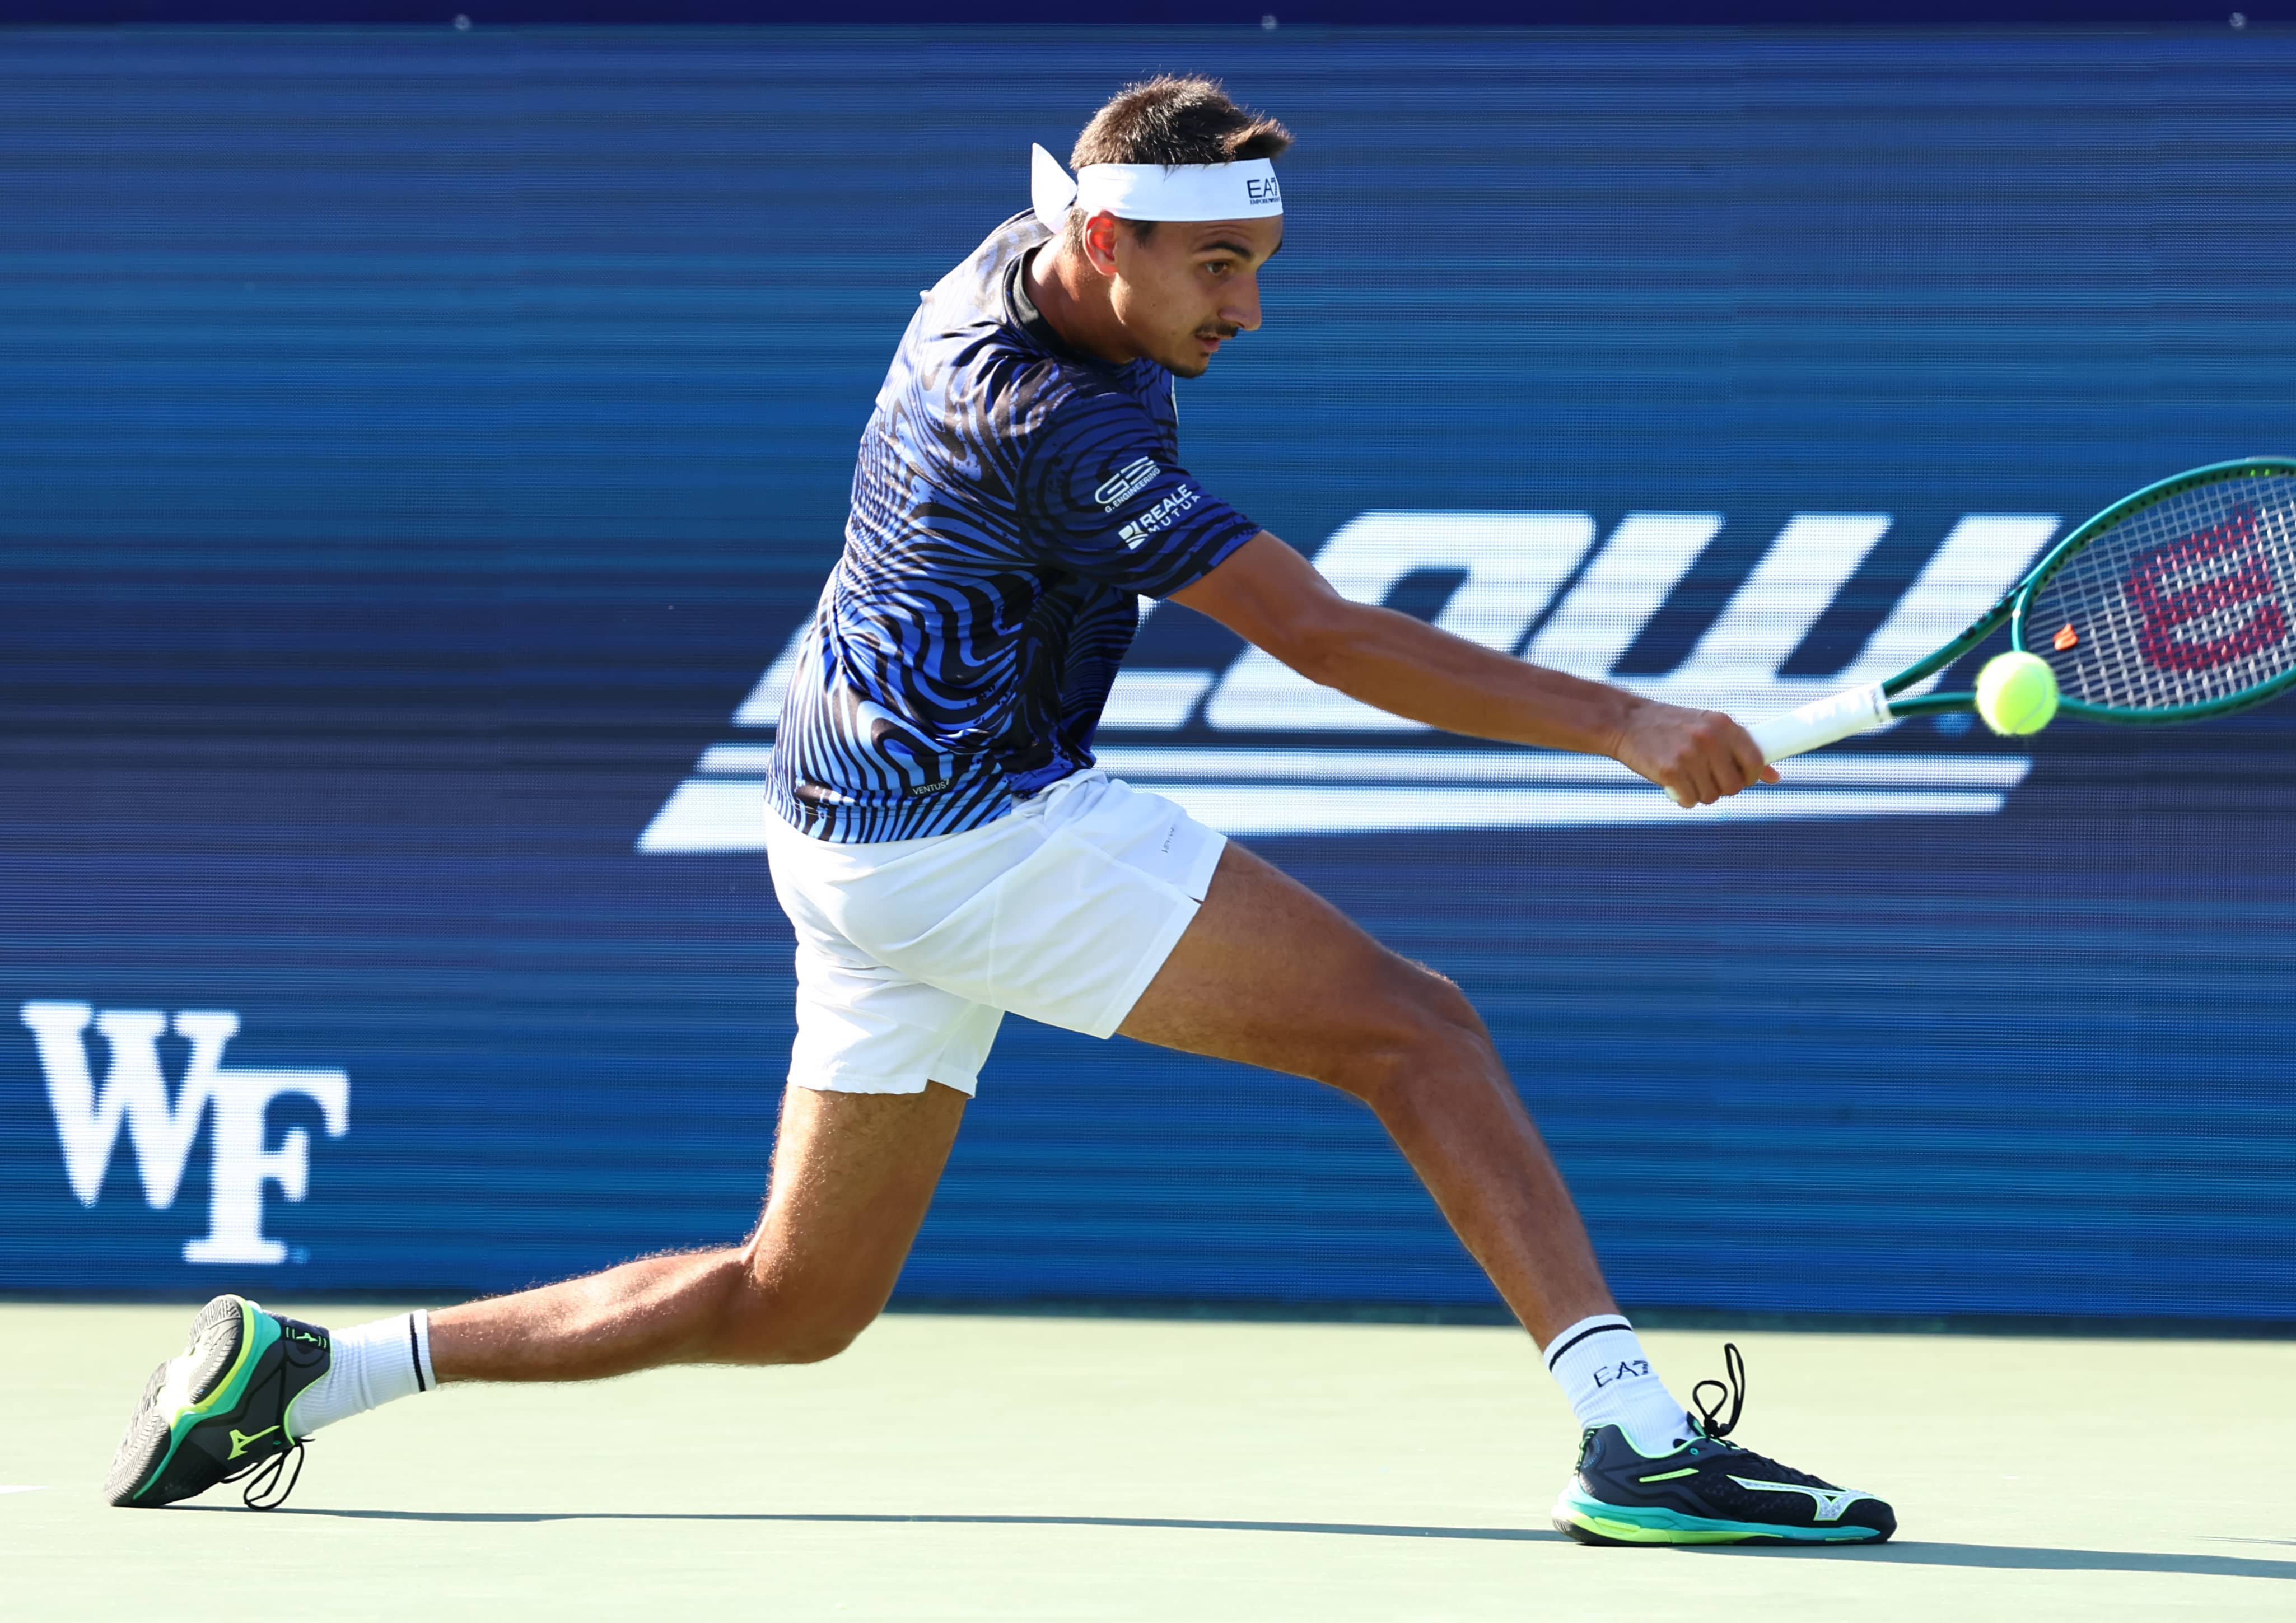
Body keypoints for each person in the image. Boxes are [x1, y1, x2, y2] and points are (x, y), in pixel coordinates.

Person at [105, 74, 1892, 1546]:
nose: (1247, 309)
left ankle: (309, 1367)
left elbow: (1203, 424)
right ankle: (1635, 1438)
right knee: (1415, 1028)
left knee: (792, 1301)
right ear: (1103, 242)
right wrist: (1632, 723)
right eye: (1214, 269)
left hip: (848, 840)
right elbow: (1323, 636)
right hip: (971, 832)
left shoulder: (1016, 262)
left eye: (1260, 266)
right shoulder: (1045, 414)